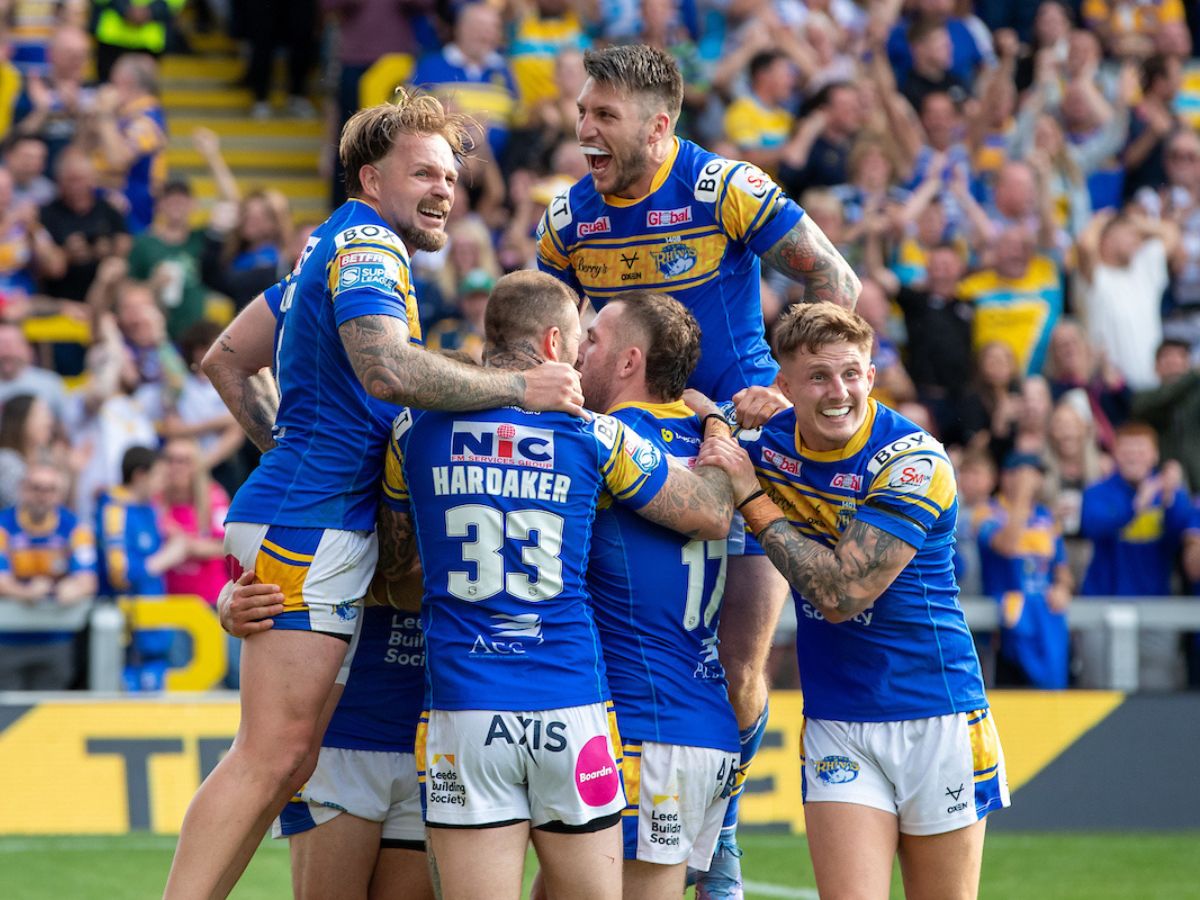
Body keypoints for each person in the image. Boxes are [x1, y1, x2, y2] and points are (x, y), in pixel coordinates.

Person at [164, 90, 583, 900]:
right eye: (423, 171)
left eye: (452, 177)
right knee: (274, 754)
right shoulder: (367, 249)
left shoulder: (320, 251)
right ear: (370, 178)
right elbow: (386, 369)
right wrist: (521, 389)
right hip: (312, 523)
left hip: (301, 513)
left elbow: (225, 356)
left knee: (284, 755)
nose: (443, 190)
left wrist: (294, 455)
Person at [535, 45, 860, 894]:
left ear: (659, 125)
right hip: (629, 452)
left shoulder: (726, 190)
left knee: (742, 662)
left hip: (739, 451)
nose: (585, 131)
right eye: (582, 112)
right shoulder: (569, 221)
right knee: (632, 651)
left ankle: (718, 837)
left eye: (604, 116)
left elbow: (835, 279)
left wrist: (779, 391)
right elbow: (548, 329)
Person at [382, 271, 736, 900]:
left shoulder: (415, 427)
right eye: (578, 342)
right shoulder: (595, 436)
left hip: (466, 707)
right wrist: (713, 426)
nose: (579, 358)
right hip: (573, 709)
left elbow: (391, 563)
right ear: (552, 342)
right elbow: (710, 512)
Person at [694, 302, 1009, 900]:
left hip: (936, 714)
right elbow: (687, 405)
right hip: (838, 721)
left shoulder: (914, 461)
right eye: (818, 377)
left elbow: (841, 594)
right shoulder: (770, 443)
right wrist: (722, 418)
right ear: (784, 384)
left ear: (871, 374)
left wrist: (753, 500)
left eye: (851, 373)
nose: (838, 391)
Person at [574, 291, 741, 898]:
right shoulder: (708, 437)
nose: (578, 351)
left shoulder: (606, 439)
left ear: (628, 362)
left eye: (592, 340)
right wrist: (719, 415)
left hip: (647, 733)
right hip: (705, 724)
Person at [1078, 423, 1192, 689]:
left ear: (1155, 455)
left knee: (1157, 693)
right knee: (1099, 691)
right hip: (1102, 605)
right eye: (1127, 450)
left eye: (1141, 451)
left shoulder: (1167, 494)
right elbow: (1093, 526)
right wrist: (1136, 506)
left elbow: (1183, 531)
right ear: (1116, 454)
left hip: (1155, 607)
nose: (1133, 457)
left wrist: (1170, 499)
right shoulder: (1098, 491)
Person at [95, 445, 191, 691]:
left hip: (154, 627)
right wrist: (167, 558)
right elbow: (119, 574)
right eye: (159, 476)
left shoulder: (151, 509)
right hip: (128, 634)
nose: (163, 484)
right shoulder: (114, 510)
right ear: (140, 475)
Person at [977, 453, 1073, 689]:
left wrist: (1062, 587)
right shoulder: (986, 512)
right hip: (1003, 631)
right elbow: (1006, 546)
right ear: (1007, 476)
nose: (1035, 481)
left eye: (1038, 475)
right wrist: (1021, 497)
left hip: (1045, 621)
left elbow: (1062, 568)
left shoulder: (1046, 517)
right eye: (1029, 474)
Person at [0, 463, 96, 690]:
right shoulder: (3, 526)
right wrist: (26, 592)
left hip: (56, 639)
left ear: (59, 495)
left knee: (49, 716)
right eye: (36, 488)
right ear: (23, 489)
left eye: (50, 490)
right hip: (8, 639)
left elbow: (87, 579)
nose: (42, 496)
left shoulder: (75, 528)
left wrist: (74, 588)